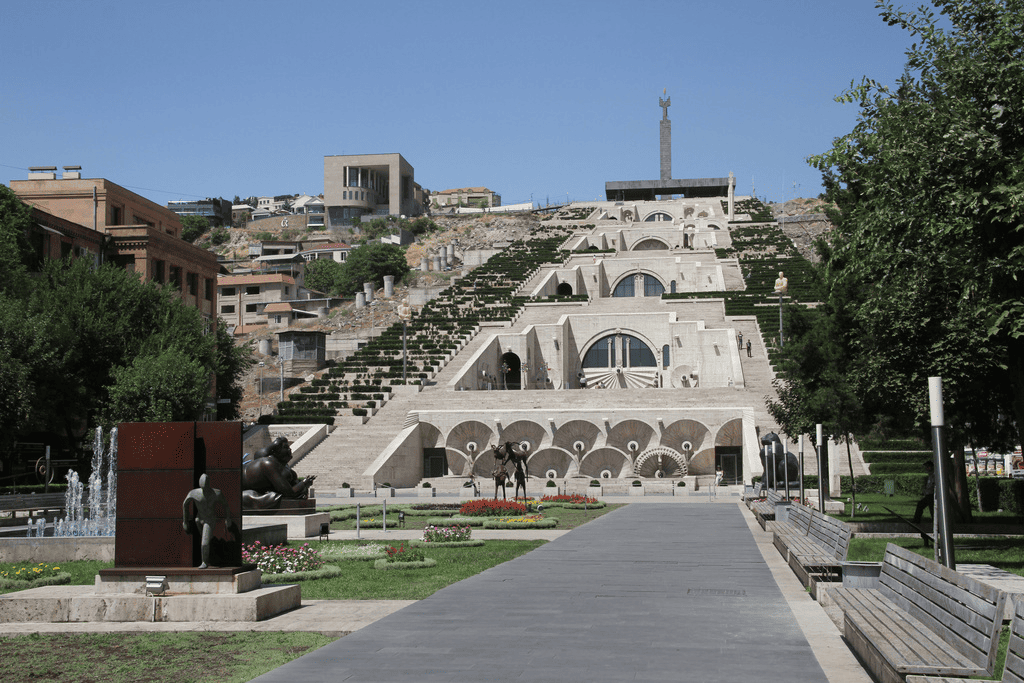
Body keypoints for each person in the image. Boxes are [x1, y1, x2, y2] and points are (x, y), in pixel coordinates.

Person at [182, 474, 240, 569]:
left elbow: (225, 505)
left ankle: (204, 561)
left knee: (204, 542)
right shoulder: (194, 493)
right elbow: (185, 504)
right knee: (204, 538)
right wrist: (185, 521)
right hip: (198, 519)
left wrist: (228, 518)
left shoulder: (216, 493)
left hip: (210, 519)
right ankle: (210, 540)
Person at [913, 460, 935, 525]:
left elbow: (933, 485)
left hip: (931, 495)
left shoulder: (934, 475)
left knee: (932, 509)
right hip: (928, 495)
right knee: (921, 505)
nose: (926, 468)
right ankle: (916, 520)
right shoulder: (930, 475)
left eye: (928, 467)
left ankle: (936, 522)